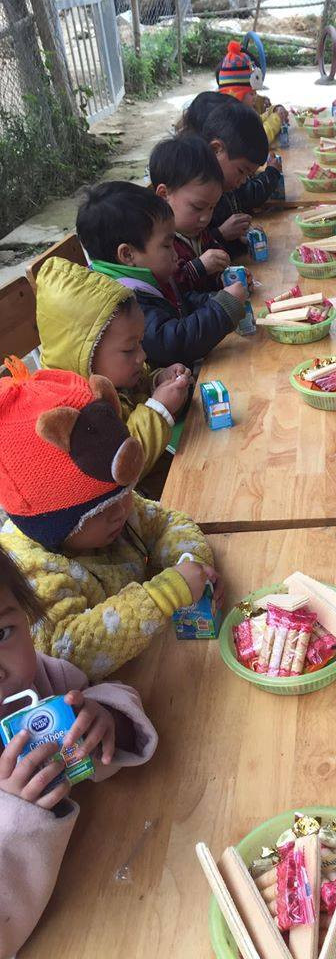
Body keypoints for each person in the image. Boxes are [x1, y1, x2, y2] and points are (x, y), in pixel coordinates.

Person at [0, 366, 223, 681]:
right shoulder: (32, 571)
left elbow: (166, 522)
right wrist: (164, 594)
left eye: (127, 493)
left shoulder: (114, 505)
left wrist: (189, 560)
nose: (123, 510)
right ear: (53, 526)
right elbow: (68, 651)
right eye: (101, 510)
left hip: (160, 663)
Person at [0, 544, 159, 957]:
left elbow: (99, 695)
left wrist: (105, 718)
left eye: (2, 633)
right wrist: (15, 816)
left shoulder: (41, 677)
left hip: (122, 884)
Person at [35, 257, 191, 478]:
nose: (142, 355)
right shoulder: (80, 414)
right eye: (129, 349)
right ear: (87, 358)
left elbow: (139, 386)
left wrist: (159, 380)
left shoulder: (117, 374)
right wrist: (159, 409)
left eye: (140, 342)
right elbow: (124, 465)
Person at [76, 181, 247, 368]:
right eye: (167, 245)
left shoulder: (144, 276)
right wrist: (223, 308)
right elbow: (173, 344)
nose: (175, 254)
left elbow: (180, 304)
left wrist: (217, 298)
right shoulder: (123, 303)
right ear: (127, 254)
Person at [196, 96, 281, 258]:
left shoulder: (225, 184)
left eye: (249, 175)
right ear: (216, 150)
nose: (243, 181)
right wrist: (221, 234)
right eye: (242, 171)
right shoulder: (194, 191)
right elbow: (188, 251)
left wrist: (242, 233)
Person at [149, 135, 228, 294]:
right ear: (164, 195)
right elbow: (169, 287)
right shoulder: (158, 245)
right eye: (198, 207)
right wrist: (199, 267)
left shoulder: (199, 232)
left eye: (212, 207)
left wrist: (229, 275)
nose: (206, 218)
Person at [215, 40, 287, 143]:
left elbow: (255, 121)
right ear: (237, 95)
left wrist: (273, 111)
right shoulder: (231, 118)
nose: (255, 96)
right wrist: (276, 119)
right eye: (251, 93)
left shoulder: (240, 110)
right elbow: (258, 140)